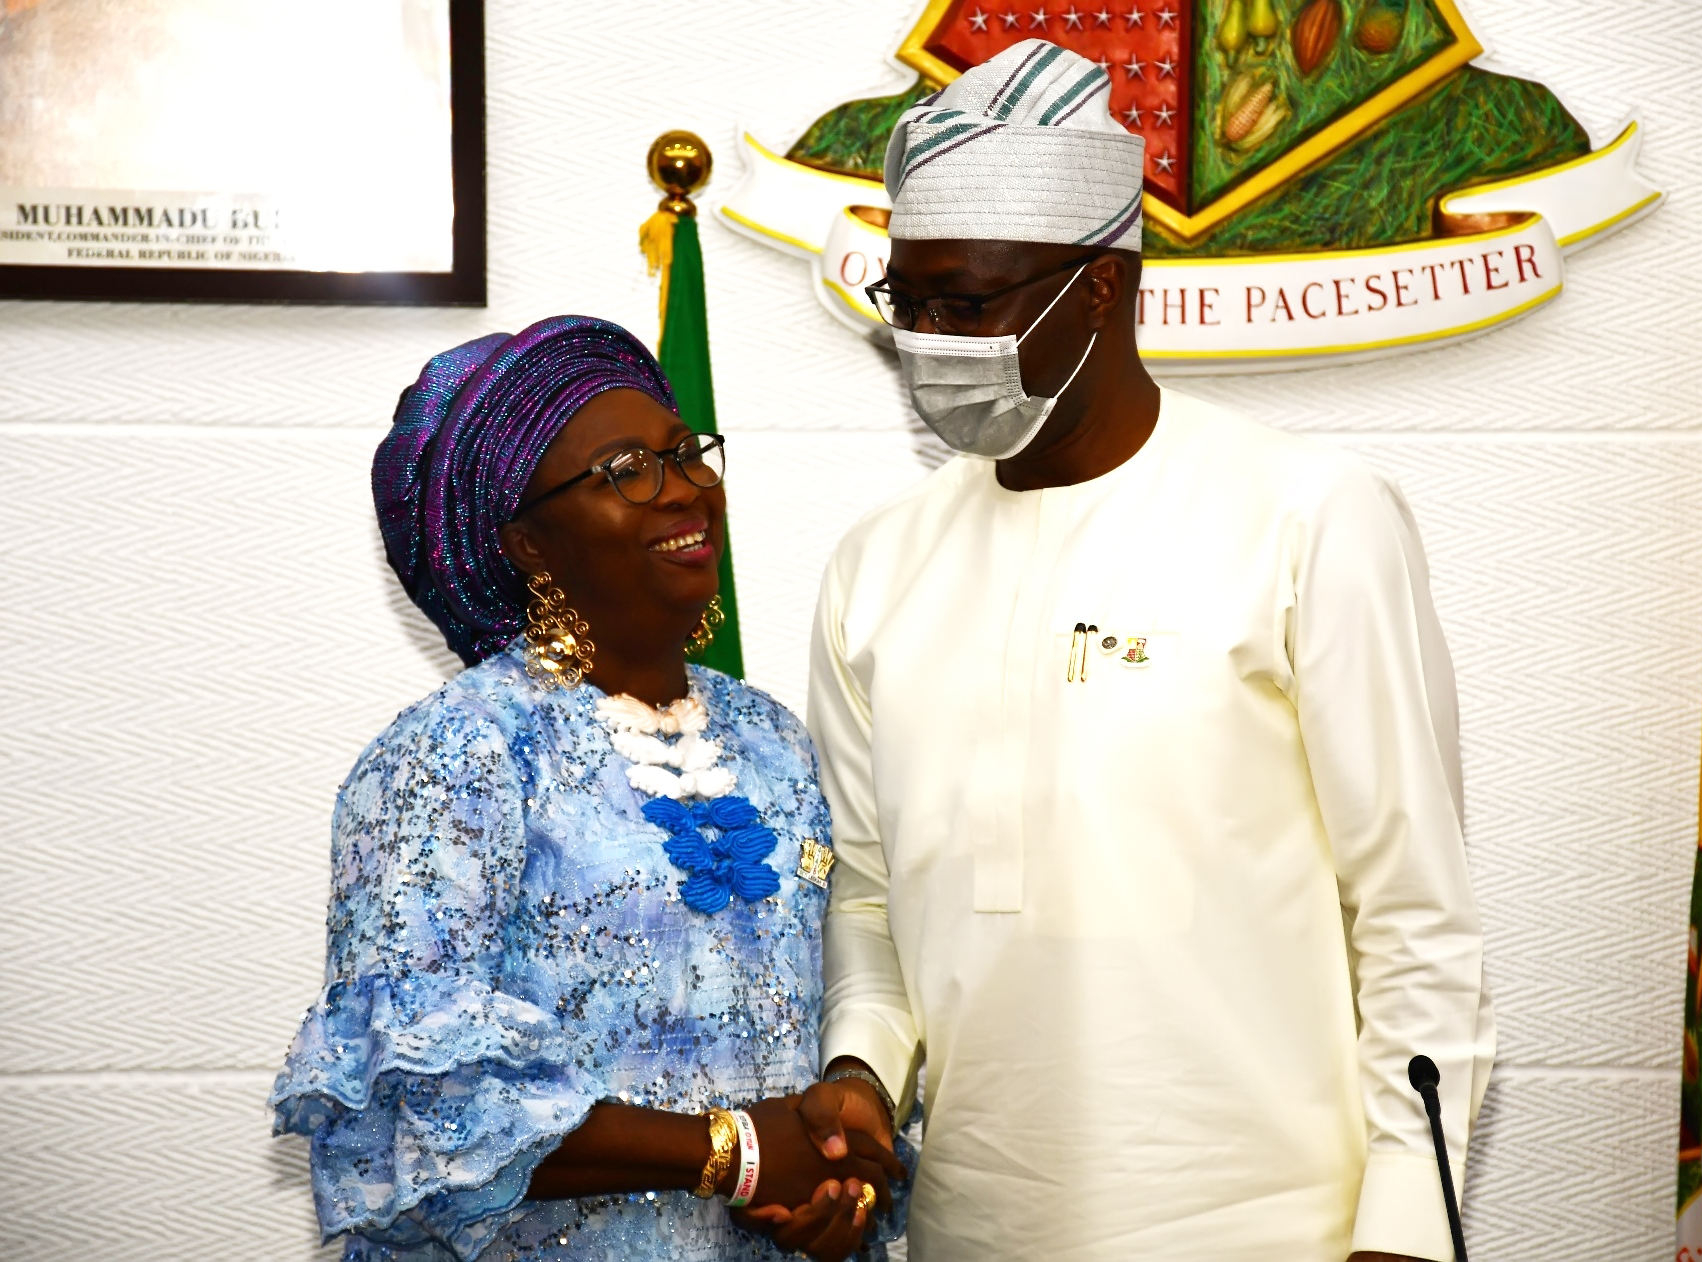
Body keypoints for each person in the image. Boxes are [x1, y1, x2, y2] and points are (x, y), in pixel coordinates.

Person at [792, 40, 1495, 1262]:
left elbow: (1415, 914)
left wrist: (1407, 1227)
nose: (931, 343)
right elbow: (866, 888)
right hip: (970, 1227)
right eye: (907, 306)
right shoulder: (875, 567)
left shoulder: (1309, 516)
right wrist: (859, 1065)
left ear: (1101, 286)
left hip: (1275, 1230)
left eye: (969, 302)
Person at [269, 316, 901, 1262]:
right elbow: (427, 1100)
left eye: (685, 454)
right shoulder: (455, 753)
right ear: (526, 542)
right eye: (625, 470)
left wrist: (835, 1176)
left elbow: (817, 1026)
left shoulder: (771, 738)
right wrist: (729, 1155)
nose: (683, 487)